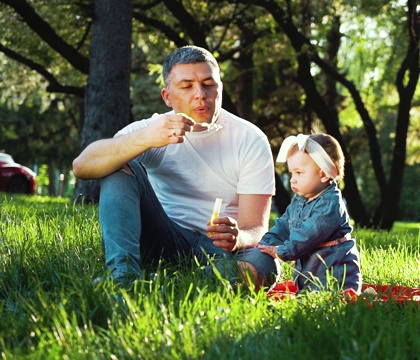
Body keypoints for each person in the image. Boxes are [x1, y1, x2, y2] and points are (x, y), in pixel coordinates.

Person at [72, 45, 277, 286]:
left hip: (220, 250)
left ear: (220, 88)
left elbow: (255, 228)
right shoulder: (155, 129)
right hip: (164, 236)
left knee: (265, 264)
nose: (200, 94)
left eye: (208, 84)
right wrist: (146, 139)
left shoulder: (250, 138)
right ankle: (122, 278)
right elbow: (82, 166)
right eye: (187, 86)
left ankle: (171, 283)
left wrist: (238, 238)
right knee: (117, 166)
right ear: (167, 97)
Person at [255, 134, 362, 294]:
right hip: (311, 263)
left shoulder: (329, 204)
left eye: (299, 172)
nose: (293, 179)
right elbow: (285, 225)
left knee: (330, 298)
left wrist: (280, 251)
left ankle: (342, 296)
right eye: (291, 173)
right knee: (307, 295)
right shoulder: (299, 200)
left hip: (333, 267)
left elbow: (307, 236)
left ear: (324, 174)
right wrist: (265, 244)